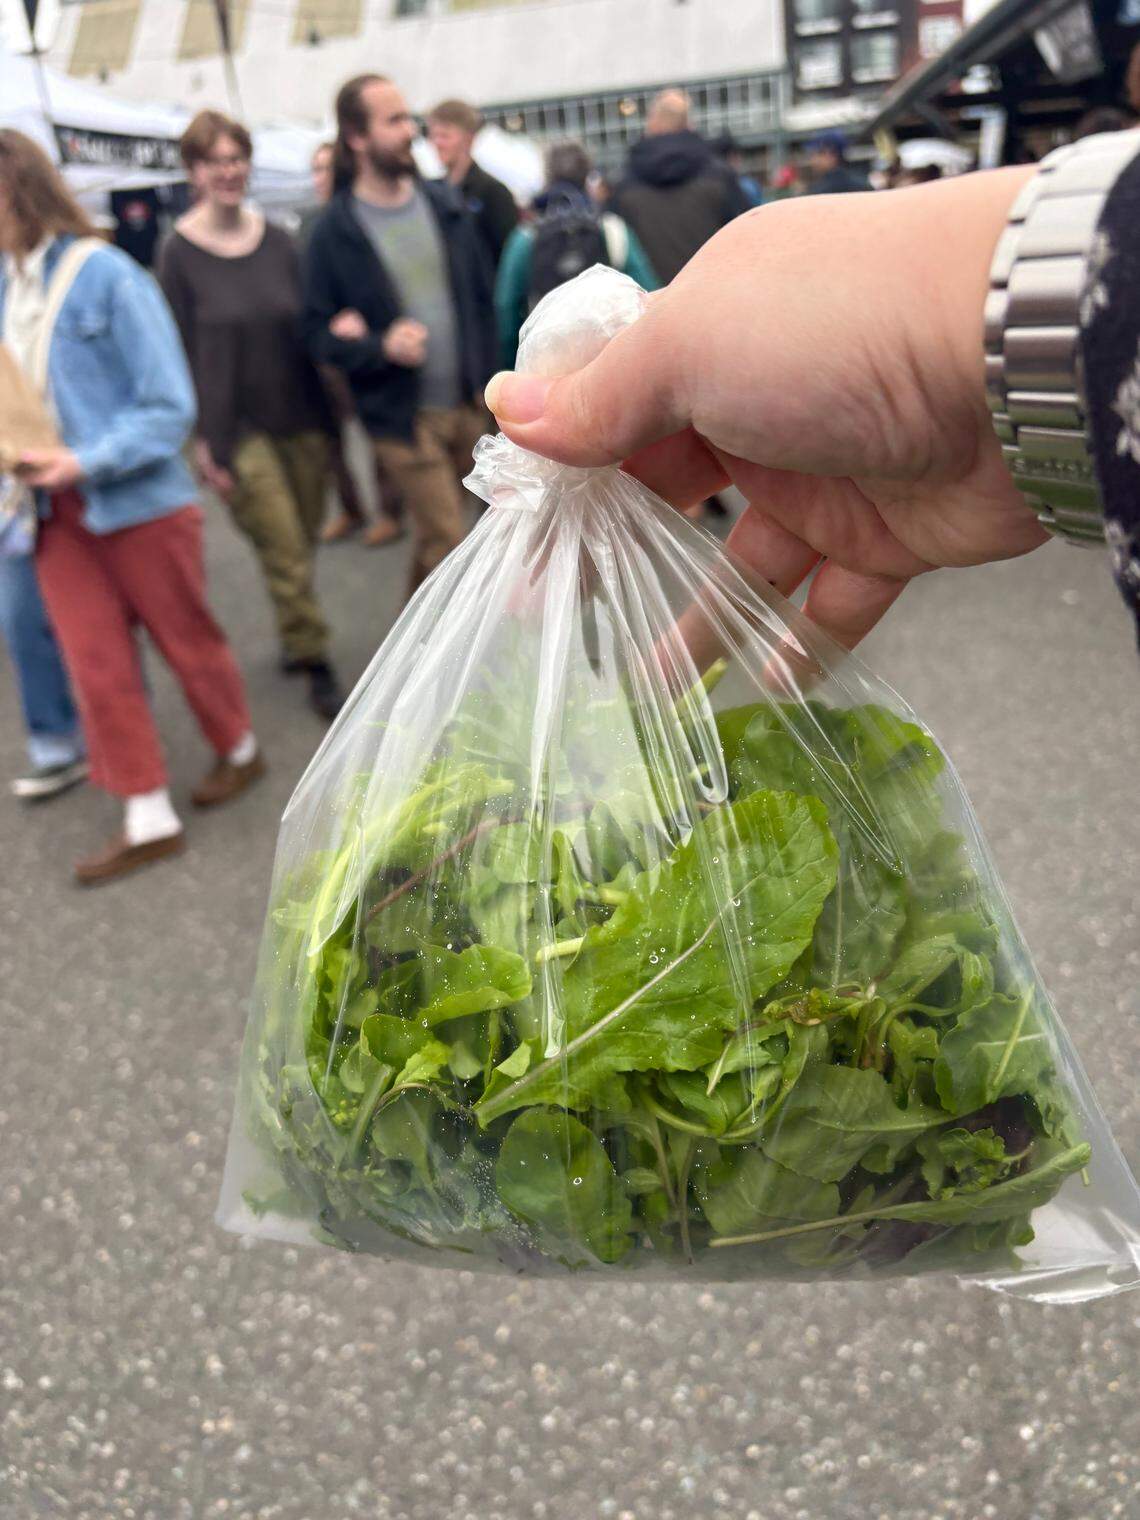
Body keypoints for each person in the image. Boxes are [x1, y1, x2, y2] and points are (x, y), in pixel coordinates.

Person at [481, 139, 1139, 651]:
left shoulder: (527, 239)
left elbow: (505, 309)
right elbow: (651, 288)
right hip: (692, 370)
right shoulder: (632, 222)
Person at [0, 128, 262, 885]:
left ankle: (239, 746)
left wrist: (82, 458)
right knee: (94, 662)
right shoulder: (9, 286)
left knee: (187, 638)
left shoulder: (107, 274)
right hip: (48, 512)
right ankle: (148, 811)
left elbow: (168, 405)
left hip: (137, 501)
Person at [159, 111, 343, 721]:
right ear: (195, 172)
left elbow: (311, 321)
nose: (230, 171)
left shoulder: (281, 239)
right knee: (285, 543)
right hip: (236, 431)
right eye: (216, 161)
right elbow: (178, 351)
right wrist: (202, 445)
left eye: (237, 158)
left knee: (302, 535)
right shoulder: (178, 253)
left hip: (304, 414)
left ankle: (296, 631)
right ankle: (317, 660)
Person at [302, 74, 497, 599]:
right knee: (451, 538)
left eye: (407, 117)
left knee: (445, 535)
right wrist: (378, 346)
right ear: (357, 137)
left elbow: (483, 298)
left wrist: (488, 377)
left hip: (467, 401)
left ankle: (411, 649)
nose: (409, 131)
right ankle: (439, 661)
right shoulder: (331, 232)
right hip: (403, 417)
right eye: (393, 121)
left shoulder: (443, 203)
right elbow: (315, 334)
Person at [302, 140, 404, 549]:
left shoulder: (360, 220)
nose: (321, 176)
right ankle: (351, 507)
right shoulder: (310, 224)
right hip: (323, 350)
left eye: (327, 167)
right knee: (332, 438)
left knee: (376, 433)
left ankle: (390, 512)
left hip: (367, 348)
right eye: (315, 168)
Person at [494, 140, 659, 368]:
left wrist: (513, 362)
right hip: (610, 361)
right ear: (587, 177)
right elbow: (648, 293)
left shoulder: (527, 237)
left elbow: (507, 306)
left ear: (546, 177)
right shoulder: (611, 229)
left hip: (548, 364)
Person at [610, 88, 751, 284]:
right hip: (712, 296)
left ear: (651, 124)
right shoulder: (719, 176)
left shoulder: (625, 185)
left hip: (652, 304)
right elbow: (746, 239)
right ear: (689, 124)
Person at [0, 554, 87, 799]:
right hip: (11, 520)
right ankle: (58, 743)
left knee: (98, 605)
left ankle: (126, 728)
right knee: (20, 617)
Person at [426, 99, 519, 270]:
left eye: (445, 136)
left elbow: (509, 261)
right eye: (433, 136)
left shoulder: (493, 193)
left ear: (468, 139)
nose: (437, 143)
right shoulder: (433, 193)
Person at [804, 131, 868, 195]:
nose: (812, 160)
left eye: (816, 154)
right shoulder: (860, 180)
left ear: (830, 153)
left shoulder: (825, 188)